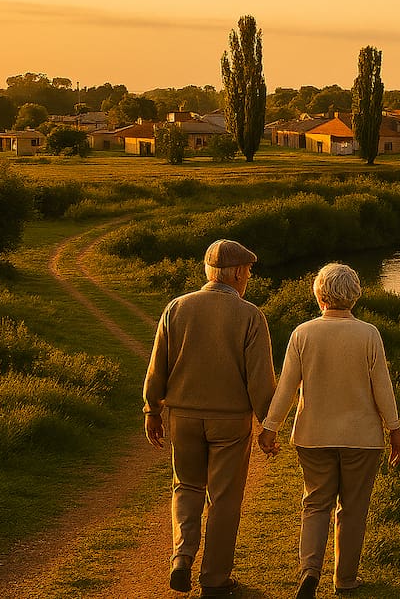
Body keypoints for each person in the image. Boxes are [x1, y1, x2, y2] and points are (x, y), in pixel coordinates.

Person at [258, 262, 400, 599]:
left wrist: (270, 427)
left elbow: (288, 388)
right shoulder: (369, 334)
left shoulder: (303, 333)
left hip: (313, 437)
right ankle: (345, 580)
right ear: (354, 295)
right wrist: (394, 429)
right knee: (353, 509)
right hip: (362, 439)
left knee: (315, 504)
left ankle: (310, 570)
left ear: (319, 294)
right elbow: (383, 388)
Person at [144, 239, 277, 596]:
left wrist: (152, 409)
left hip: (183, 417)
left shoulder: (177, 307)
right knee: (225, 498)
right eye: (247, 271)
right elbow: (260, 378)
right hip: (230, 423)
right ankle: (215, 579)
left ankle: (181, 557)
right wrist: (269, 422)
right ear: (235, 273)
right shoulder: (250, 315)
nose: (248, 277)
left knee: (186, 486)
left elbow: (158, 365)